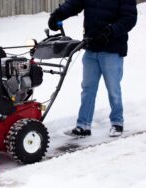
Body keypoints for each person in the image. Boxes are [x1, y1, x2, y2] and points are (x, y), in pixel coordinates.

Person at [48, 0, 137, 137]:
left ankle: (117, 123)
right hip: (91, 47)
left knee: (113, 88)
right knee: (88, 88)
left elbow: (129, 18)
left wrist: (110, 31)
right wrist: (58, 14)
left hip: (112, 49)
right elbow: (74, 3)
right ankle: (83, 126)